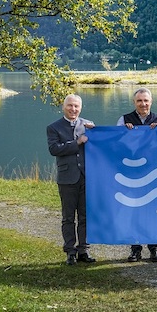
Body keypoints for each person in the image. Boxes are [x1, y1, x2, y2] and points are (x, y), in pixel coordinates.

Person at [117, 87, 157, 263]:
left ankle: (154, 248)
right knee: (134, 210)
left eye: (146, 101)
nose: (143, 104)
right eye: (139, 101)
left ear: (151, 102)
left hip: (154, 172)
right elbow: (116, 144)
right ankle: (135, 249)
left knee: (153, 212)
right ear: (134, 102)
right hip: (133, 172)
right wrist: (124, 132)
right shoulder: (124, 120)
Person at [47, 94, 96, 265]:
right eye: (70, 106)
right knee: (68, 217)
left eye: (76, 106)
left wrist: (97, 132)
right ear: (63, 106)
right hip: (67, 178)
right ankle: (70, 251)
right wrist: (77, 142)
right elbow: (54, 149)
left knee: (85, 217)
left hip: (86, 178)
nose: (73, 109)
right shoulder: (54, 127)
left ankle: (84, 250)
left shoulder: (88, 125)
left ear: (80, 108)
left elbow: (99, 145)